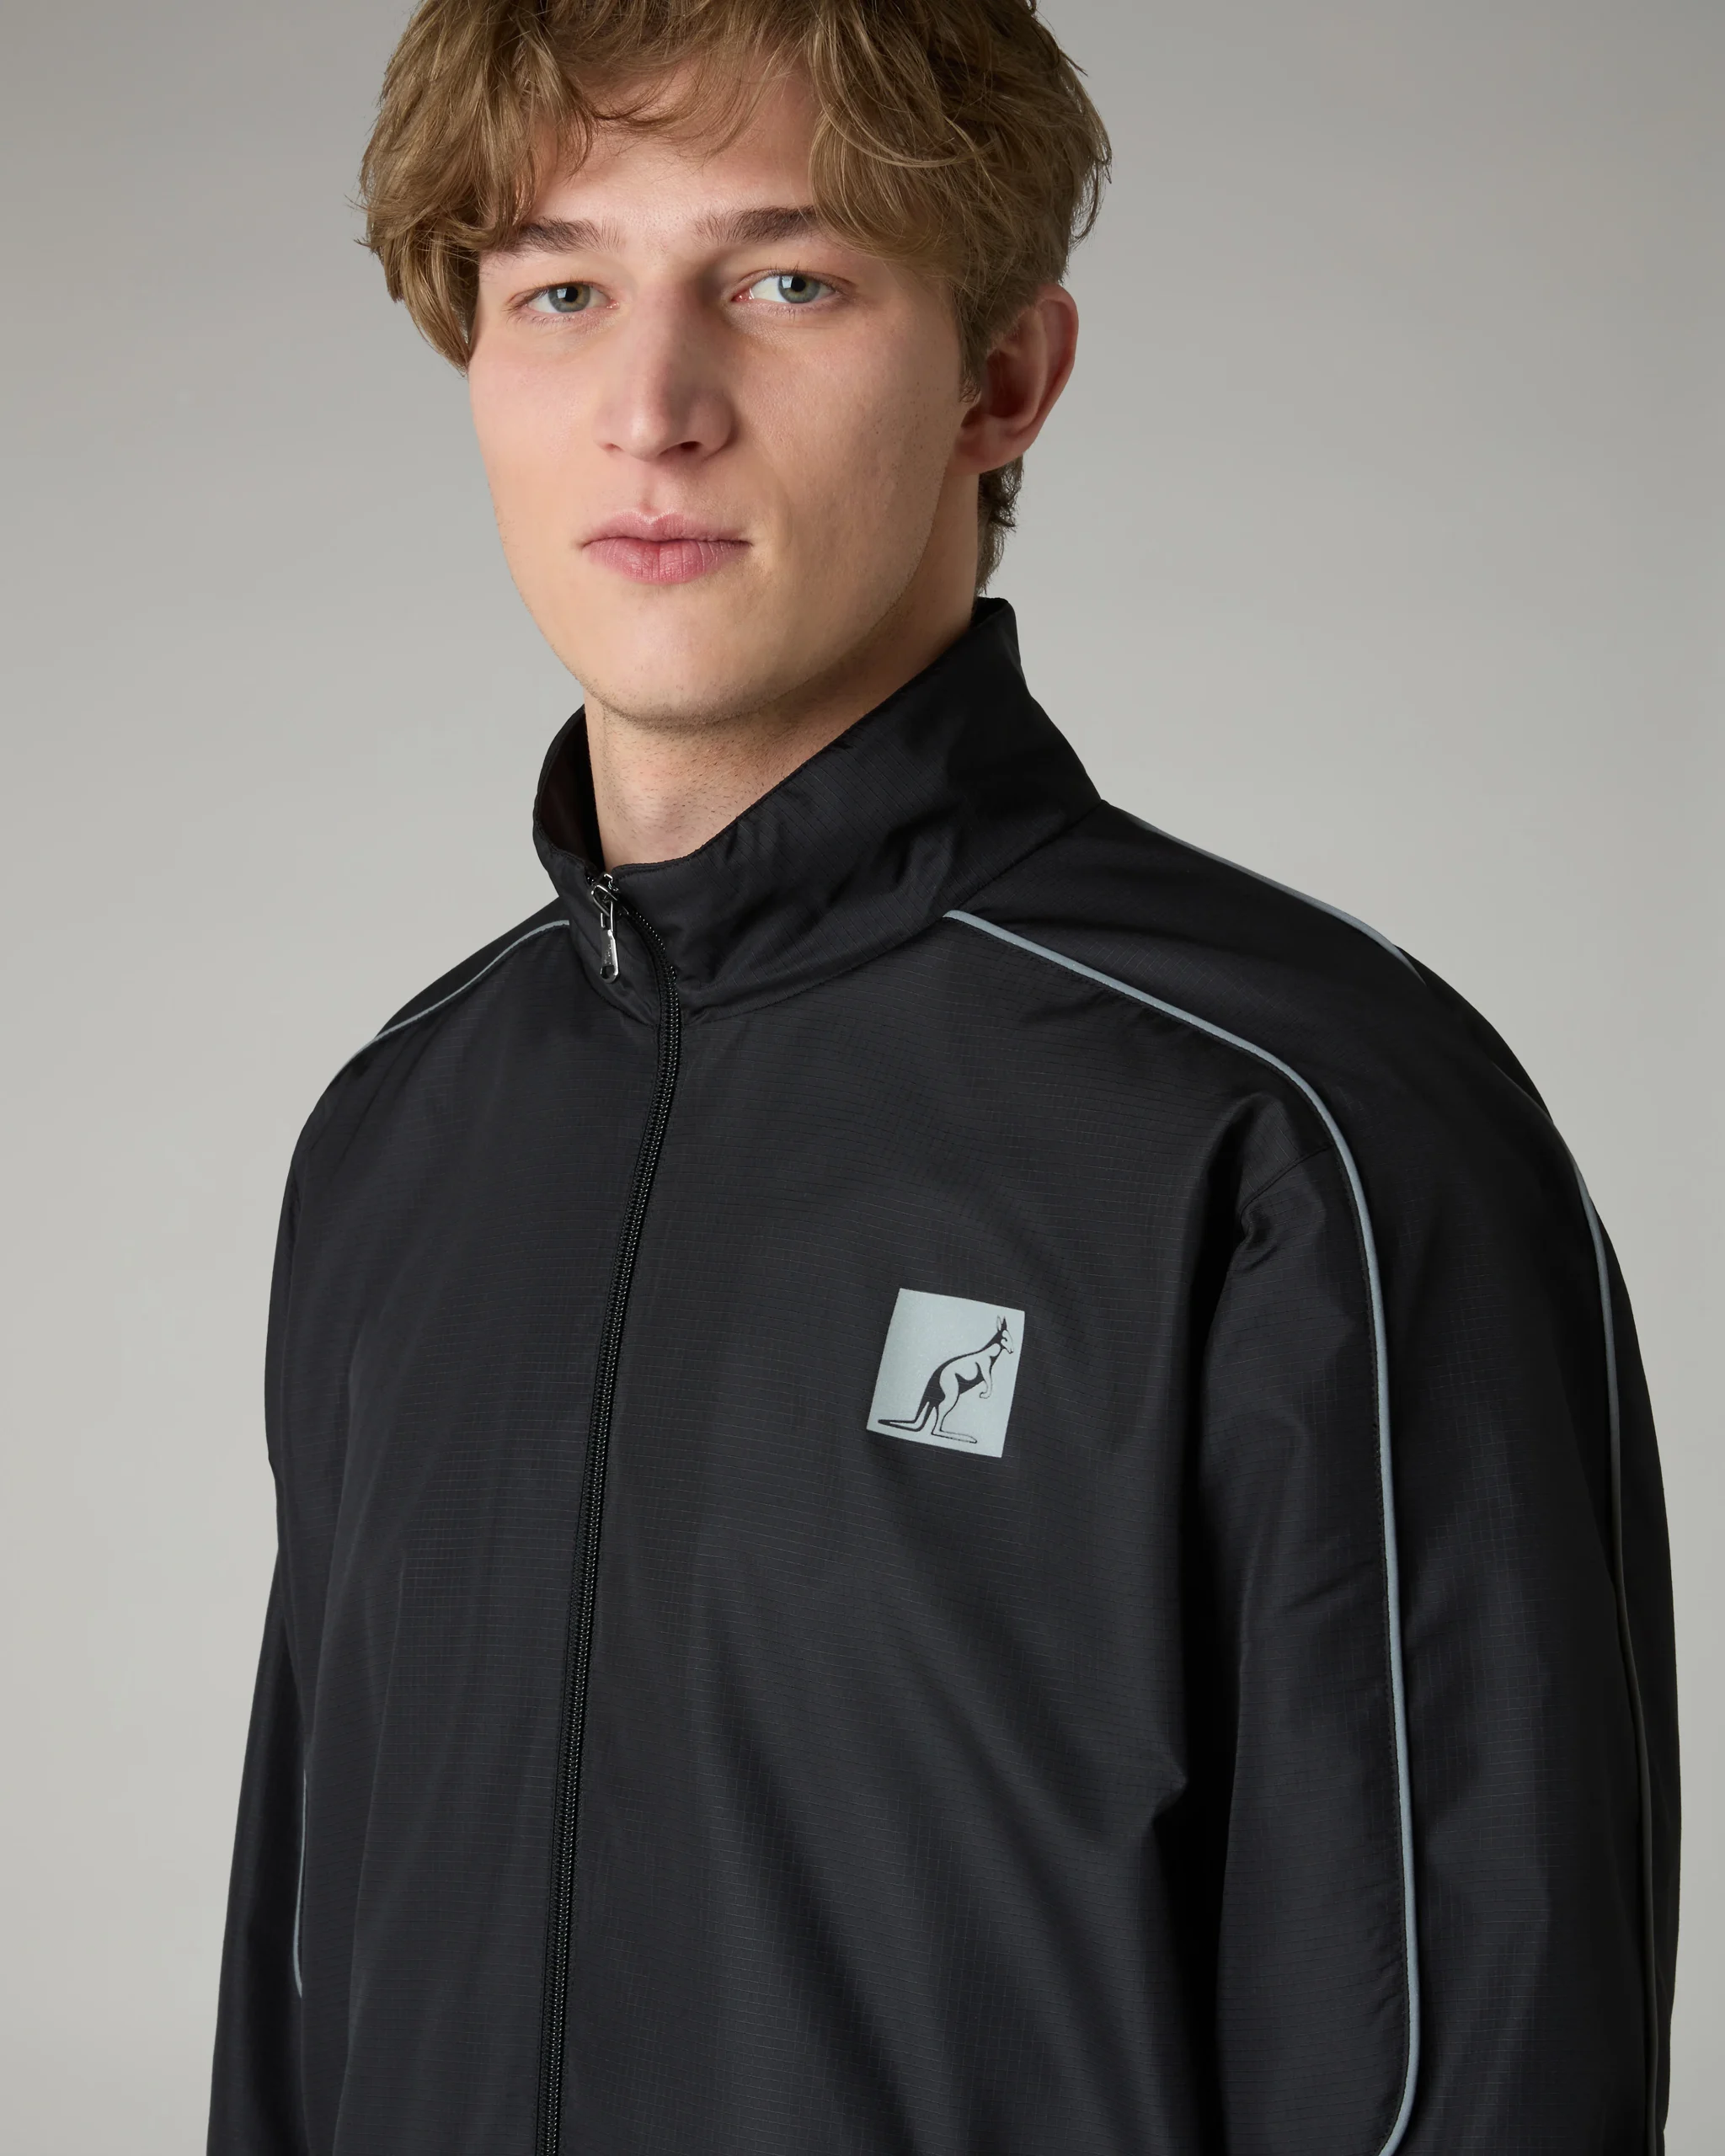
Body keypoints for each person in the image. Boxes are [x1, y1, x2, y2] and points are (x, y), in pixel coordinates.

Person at [208, 3, 1678, 2151]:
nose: (652, 408)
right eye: (561, 291)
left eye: (785, 282)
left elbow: (1468, 2084)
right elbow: (291, 2034)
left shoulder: (1297, 1129)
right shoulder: (398, 1140)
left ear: (1001, 379)